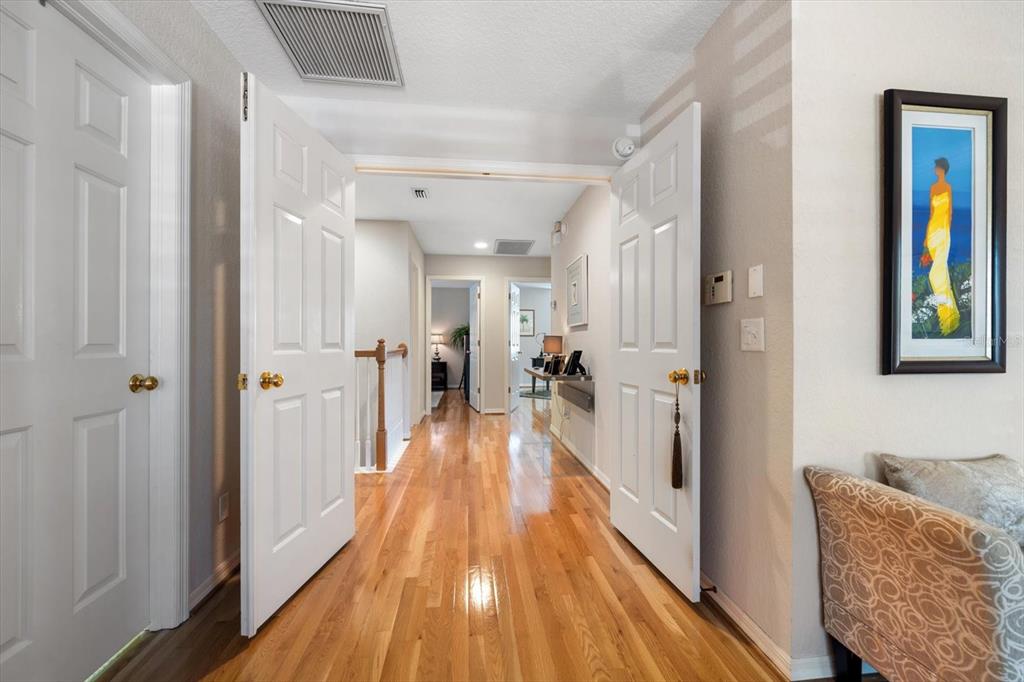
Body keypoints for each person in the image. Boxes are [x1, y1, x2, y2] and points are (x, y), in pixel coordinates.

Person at [920, 156, 960, 335]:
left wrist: (946, 233)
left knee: (937, 273)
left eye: (936, 167)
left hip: (943, 233)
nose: (934, 170)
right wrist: (925, 240)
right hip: (932, 233)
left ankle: (950, 319)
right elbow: (931, 213)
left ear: (942, 169)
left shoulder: (948, 188)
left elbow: (949, 214)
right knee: (938, 273)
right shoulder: (932, 188)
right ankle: (943, 316)